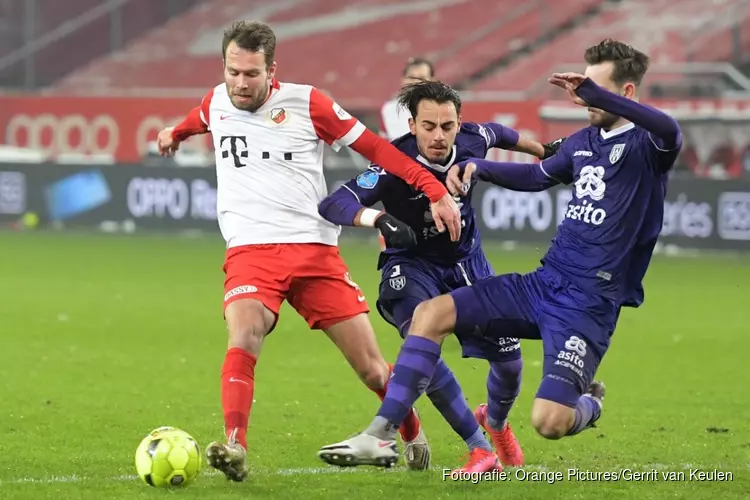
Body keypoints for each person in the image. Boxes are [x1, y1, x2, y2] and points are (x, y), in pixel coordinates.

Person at [317, 38, 682, 468]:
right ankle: (380, 434)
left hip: (588, 304)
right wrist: (480, 168)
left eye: (596, 89)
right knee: (429, 316)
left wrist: (591, 93)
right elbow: (538, 175)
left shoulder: (650, 145)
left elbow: (671, 130)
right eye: (584, 87)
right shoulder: (583, 141)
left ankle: (590, 404)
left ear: (626, 93)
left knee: (550, 421)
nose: (583, 96)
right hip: (543, 283)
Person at [155, 20, 462, 481]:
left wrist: (432, 189)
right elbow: (198, 118)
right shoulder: (217, 100)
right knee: (244, 335)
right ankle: (235, 445)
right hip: (250, 251)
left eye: (251, 74)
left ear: (271, 70)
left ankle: (411, 429)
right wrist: (173, 134)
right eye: (233, 72)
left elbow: (377, 148)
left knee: (373, 369)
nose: (240, 83)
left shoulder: (308, 103)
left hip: (314, 250)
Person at [317, 80, 563, 472]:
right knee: (420, 334)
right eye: (428, 126)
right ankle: (478, 447)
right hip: (412, 265)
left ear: (458, 123)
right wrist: (378, 219)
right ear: (412, 125)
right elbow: (334, 202)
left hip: (469, 262)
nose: (438, 136)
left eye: (447, 126)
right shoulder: (392, 162)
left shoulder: (471, 140)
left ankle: (495, 423)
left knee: (511, 364)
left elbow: (499, 133)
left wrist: (542, 151)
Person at [380, 57, 435, 141]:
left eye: (422, 78)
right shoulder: (389, 109)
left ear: (432, 80)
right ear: (403, 80)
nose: (416, 82)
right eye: (412, 77)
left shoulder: (444, 108)